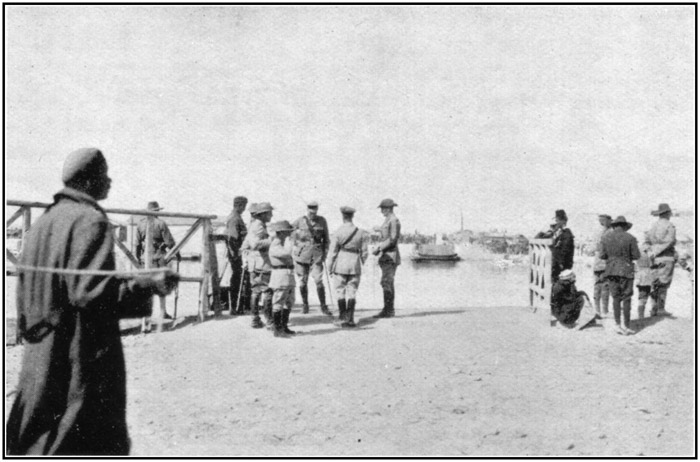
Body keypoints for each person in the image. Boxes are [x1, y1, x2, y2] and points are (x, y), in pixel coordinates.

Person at [6, 148, 179, 455]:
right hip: (79, 359)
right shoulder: (89, 220)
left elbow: (27, 293)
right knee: (84, 441)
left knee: (39, 439)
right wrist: (147, 285)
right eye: (104, 174)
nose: (109, 181)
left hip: (41, 357)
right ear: (87, 181)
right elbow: (92, 294)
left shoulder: (42, 224)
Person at [135, 200, 177, 321]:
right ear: (157, 211)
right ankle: (162, 312)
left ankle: (145, 317)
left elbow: (137, 245)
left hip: (145, 259)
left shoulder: (140, 224)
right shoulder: (160, 223)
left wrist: (138, 259)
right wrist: (177, 254)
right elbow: (170, 242)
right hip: (158, 258)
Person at [327, 206, 369, 328]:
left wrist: (330, 267)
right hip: (354, 264)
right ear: (352, 216)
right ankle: (350, 319)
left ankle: (342, 318)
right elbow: (365, 252)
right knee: (352, 291)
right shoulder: (360, 232)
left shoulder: (338, 232)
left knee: (340, 290)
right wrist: (362, 261)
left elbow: (332, 252)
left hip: (340, 264)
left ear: (342, 217)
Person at [600, 216, 641, 335]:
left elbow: (602, 255)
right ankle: (626, 326)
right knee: (627, 297)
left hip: (611, 269)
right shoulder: (631, 238)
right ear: (624, 226)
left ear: (614, 226)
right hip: (626, 270)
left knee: (615, 297)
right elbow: (636, 255)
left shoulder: (606, 237)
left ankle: (617, 324)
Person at [292, 201, 331, 315]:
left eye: (314, 210)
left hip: (316, 255)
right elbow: (289, 233)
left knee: (319, 280)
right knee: (302, 281)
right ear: (307, 209)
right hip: (301, 255)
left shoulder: (322, 221)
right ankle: (305, 305)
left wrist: (325, 253)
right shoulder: (299, 221)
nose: (312, 212)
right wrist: (295, 245)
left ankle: (323, 306)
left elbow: (326, 239)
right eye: (310, 210)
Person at [241, 202, 274, 329]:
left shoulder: (253, 225)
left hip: (254, 264)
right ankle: (269, 321)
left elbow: (245, 245)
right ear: (263, 214)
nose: (271, 215)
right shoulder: (259, 226)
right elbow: (256, 244)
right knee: (267, 291)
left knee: (255, 291)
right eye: (269, 213)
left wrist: (247, 259)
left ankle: (255, 319)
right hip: (262, 264)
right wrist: (272, 240)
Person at [644, 203, 677, 317]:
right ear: (668, 213)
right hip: (666, 257)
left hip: (653, 258)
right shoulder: (669, 225)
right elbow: (670, 241)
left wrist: (651, 251)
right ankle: (661, 308)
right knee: (664, 283)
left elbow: (646, 241)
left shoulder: (652, 226)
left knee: (655, 283)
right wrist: (658, 250)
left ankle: (654, 308)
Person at [372, 198, 401, 318]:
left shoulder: (393, 220)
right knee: (386, 282)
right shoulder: (388, 220)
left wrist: (379, 248)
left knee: (387, 282)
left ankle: (388, 310)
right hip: (387, 256)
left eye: (383, 208)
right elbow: (387, 234)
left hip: (390, 256)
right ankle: (388, 309)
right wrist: (379, 229)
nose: (381, 211)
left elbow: (393, 239)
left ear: (388, 209)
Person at [268, 220, 297, 337]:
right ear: (280, 233)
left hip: (288, 274)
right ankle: (277, 329)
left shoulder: (282, 244)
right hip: (280, 275)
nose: (289, 234)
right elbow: (288, 254)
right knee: (279, 302)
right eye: (287, 232)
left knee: (289, 301)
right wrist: (291, 242)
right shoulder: (275, 245)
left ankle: (284, 327)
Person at [225, 196, 249, 314]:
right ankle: (234, 307)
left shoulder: (236, 217)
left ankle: (239, 306)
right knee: (236, 280)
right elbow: (232, 238)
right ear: (239, 205)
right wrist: (236, 254)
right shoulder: (234, 218)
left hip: (236, 253)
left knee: (238, 279)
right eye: (243, 206)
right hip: (236, 254)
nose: (244, 209)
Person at [592, 214, 613, 316]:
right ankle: (604, 310)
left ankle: (597, 309)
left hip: (597, 262)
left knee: (597, 286)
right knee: (605, 287)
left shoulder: (597, 232)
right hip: (605, 262)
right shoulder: (610, 232)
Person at [550, 209, 575, 283]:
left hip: (562, 265)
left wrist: (561, 263)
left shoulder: (567, 234)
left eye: (557, 220)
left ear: (563, 221)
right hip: (558, 264)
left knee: (560, 284)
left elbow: (565, 250)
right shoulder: (560, 233)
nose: (556, 223)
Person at [635, 239, 655, 320]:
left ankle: (641, 315)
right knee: (648, 294)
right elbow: (652, 264)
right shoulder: (648, 252)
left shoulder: (638, 251)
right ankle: (644, 315)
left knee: (642, 294)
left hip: (640, 275)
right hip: (647, 275)